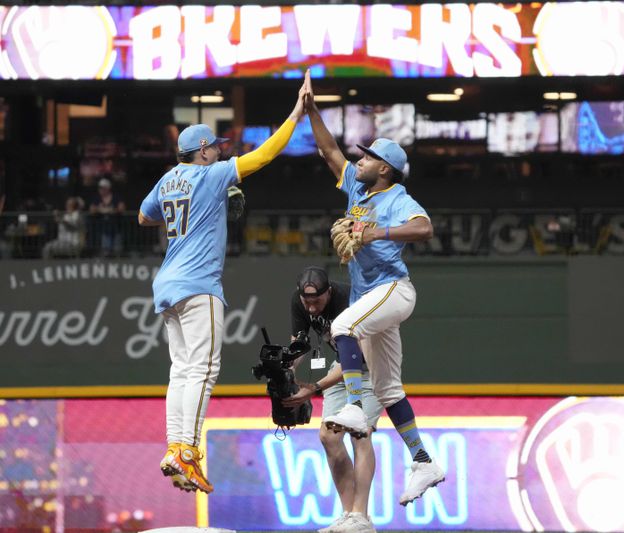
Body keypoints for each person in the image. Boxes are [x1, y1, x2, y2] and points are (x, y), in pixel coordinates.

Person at [137, 77, 309, 494]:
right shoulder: (210, 175)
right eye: (214, 146)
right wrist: (297, 113)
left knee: (181, 371)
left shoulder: (167, 179)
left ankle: (175, 446)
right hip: (198, 285)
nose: (219, 149)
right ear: (201, 152)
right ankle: (187, 451)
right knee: (203, 370)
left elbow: (144, 217)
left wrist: (187, 211)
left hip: (167, 284)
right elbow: (265, 154)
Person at [303, 70, 445, 507]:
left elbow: (424, 228)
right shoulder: (357, 191)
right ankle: (424, 461)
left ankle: (354, 404)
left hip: (393, 289)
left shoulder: (395, 195)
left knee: (342, 327)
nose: (357, 160)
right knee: (390, 390)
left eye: (365, 158)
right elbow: (328, 150)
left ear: (384, 168)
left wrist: (374, 234)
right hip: (376, 300)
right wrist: (311, 109)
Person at [283, 267, 382, 533]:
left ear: (329, 292)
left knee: (360, 434)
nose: (312, 308)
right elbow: (299, 342)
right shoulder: (300, 301)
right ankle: (349, 515)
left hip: (372, 368)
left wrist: (314, 387)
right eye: (307, 302)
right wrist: (285, 371)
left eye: (317, 301)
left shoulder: (350, 300)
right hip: (341, 365)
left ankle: (361, 516)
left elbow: (357, 357)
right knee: (328, 436)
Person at [89, 178, 125, 257]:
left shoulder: (116, 197)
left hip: (116, 227)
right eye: (100, 188)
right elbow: (91, 209)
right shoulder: (97, 198)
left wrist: (112, 210)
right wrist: (100, 209)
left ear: (108, 188)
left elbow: (121, 208)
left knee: (117, 249)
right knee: (106, 249)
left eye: (102, 188)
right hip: (104, 228)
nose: (100, 190)